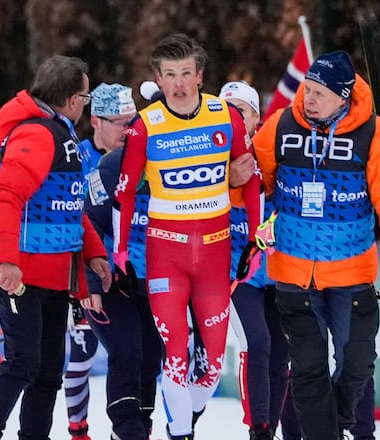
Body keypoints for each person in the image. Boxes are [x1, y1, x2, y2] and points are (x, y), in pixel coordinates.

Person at [252, 51, 380, 440]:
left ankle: (338, 424)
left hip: (352, 272)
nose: (308, 98)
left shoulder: (376, 136)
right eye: (307, 89)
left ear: (344, 97)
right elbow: (251, 186)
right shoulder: (280, 125)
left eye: (319, 93)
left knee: (357, 363)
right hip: (293, 274)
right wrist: (240, 175)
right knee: (308, 370)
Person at [113, 33, 262, 440]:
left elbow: (251, 181)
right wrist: (122, 252)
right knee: (175, 354)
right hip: (166, 255)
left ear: (199, 76)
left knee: (213, 362)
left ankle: (185, 416)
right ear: (159, 81)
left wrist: (254, 242)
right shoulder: (146, 126)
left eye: (185, 74)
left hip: (214, 256)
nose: (178, 84)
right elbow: (125, 193)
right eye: (169, 75)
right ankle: (181, 432)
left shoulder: (224, 115)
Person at [0, 54, 112, 440]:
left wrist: (94, 252)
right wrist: (6, 261)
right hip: (22, 273)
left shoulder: (59, 130)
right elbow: (5, 198)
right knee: (23, 363)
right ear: (69, 98)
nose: (86, 104)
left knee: (49, 370)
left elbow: (67, 205)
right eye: (85, 96)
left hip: (54, 273)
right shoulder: (37, 134)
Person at [64, 82, 142, 440]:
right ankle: (78, 429)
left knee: (134, 353)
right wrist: (79, 281)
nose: (129, 130)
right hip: (87, 274)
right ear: (96, 120)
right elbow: (68, 220)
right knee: (81, 358)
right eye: (120, 122)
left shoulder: (141, 154)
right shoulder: (76, 158)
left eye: (133, 121)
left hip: (130, 276)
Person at [219, 81, 289, 440]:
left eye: (240, 111)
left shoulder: (271, 154)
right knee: (257, 342)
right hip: (238, 273)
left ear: (255, 118)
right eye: (225, 110)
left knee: (281, 354)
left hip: (276, 272)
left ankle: (270, 428)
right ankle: (258, 428)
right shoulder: (211, 157)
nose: (232, 117)